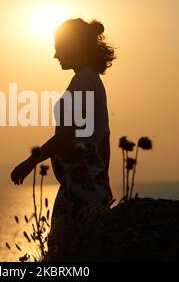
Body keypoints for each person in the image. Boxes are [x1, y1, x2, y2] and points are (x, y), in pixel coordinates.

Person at [10, 18, 115, 237]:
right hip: (81, 183)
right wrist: (102, 180)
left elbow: (67, 134)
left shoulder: (84, 80)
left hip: (82, 185)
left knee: (67, 245)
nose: (56, 55)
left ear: (75, 46)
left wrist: (30, 162)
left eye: (59, 48)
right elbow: (105, 137)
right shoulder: (89, 79)